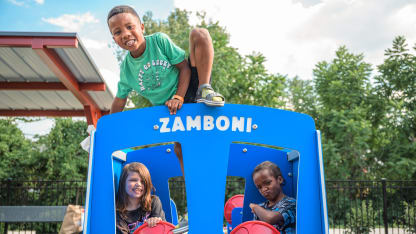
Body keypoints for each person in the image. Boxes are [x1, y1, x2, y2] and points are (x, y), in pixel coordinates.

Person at [107, 5, 225, 116]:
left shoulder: (159, 41)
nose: (126, 34)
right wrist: (107, 126)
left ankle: (204, 89)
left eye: (129, 27)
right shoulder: (126, 70)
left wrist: (178, 97)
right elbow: (119, 100)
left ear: (142, 28)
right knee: (175, 138)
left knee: (199, 33)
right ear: (114, 39)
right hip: (169, 108)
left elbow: (184, 68)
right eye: (118, 32)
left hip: (190, 86)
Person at [116, 162, 165, 234]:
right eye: (133, 180)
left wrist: (156, 222)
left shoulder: (153, 202)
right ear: (123, 183)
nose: (138, 184)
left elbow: (163, 229)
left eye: (143, 181)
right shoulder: (117, 211)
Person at [249, 161, 296, 234]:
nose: (264, 189)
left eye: (267, 183)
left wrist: (255, 207)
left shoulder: (291, 203)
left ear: (279, 180)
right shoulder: (261, 207)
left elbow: (270, 218)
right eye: (259, 187)